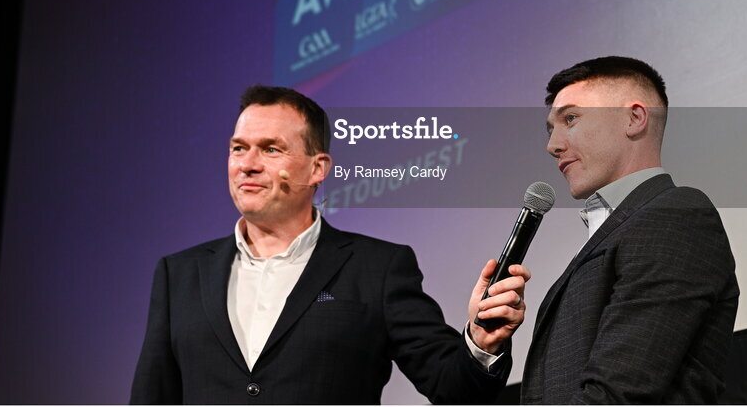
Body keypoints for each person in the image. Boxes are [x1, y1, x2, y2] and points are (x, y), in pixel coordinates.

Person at [131, 85, 531, 404]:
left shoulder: (377, 267)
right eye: (239, 148)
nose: (247, 164)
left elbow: (454, 388)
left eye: (270, 149)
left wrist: (481, 341)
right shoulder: (179, 274)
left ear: (317, 168)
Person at [521, 57, 739, 404]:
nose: (553, 145)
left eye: (570, 118)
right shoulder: (621, 229)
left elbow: (618, 394)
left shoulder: (674, 215)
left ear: (635, 118)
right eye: (551, 129)